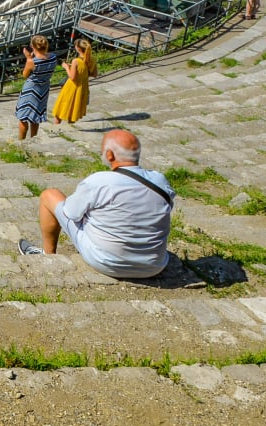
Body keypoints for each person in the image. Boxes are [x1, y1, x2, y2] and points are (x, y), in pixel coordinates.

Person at [21, 130, 171, 279]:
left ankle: (47, 255)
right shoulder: (160, 181)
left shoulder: (99, 181)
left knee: (49, 195)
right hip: (154, 265)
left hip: (107, 262)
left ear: (110, 155)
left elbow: (70, 213)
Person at [16, 35, 56, 140]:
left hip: (31, 89)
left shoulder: (32, 61)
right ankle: (33, 139)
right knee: (36, 117)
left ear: (33, 46)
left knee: (23, 118)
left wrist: (29, 58)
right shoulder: (53, 57)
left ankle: (21, 141)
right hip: (43, 90)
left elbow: (25, 75)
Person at [51, 37, 97, 125]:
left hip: (72, 87)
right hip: (83, 88)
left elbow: (72, 77)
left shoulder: (76, 61)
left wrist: (66, 67)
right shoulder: (92, 59)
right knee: (74, 110)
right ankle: (70, 127)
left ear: (78, 48)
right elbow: (94, 74)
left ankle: (55, 128)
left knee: (59, 111)